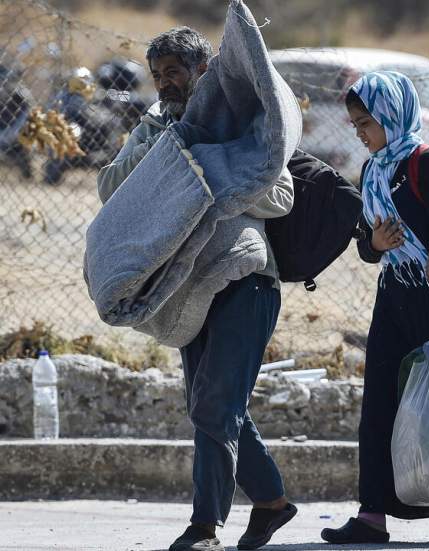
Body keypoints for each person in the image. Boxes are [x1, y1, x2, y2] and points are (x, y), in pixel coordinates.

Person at [96, 27, 297, 551]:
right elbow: (110, 189)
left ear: (203, 71)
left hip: (243, 277)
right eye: (158, 75)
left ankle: (205, 527)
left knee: (214, 406)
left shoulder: (241, 118)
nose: (165, 84)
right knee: (210, 405)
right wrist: (167, 158)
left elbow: (279, 197)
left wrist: (208, 169)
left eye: (175, 73)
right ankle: (272, 504)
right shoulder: (154, 127)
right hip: (183, 288)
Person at [320, 71, 429, 544]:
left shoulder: (427, 163)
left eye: (366, 122)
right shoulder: (372, 170)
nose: (361, 133)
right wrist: (375, 242)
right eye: (355, 125)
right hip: (393, 298)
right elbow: (367, 246)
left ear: (392, 114)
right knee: (381, 404)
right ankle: (372, 515)